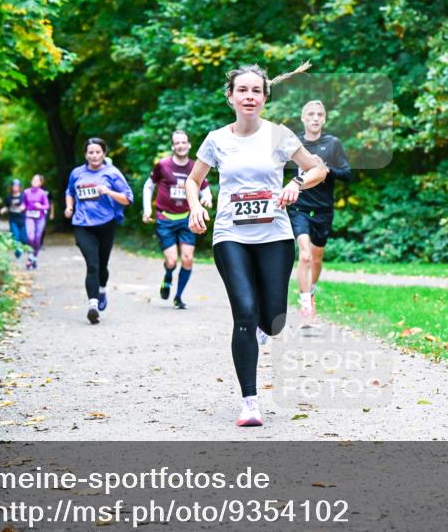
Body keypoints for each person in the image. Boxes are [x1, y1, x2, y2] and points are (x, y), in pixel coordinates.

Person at [186, 63, 327, 427]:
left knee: (273, 320)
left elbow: (317, 169)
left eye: (256, 91)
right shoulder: (216, 139)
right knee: (245, 313)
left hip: (275, 237)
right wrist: (194, 205)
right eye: (242, 90)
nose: (249, 97)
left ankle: (267, 328)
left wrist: (297, 184)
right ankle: (250, 402)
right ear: (230, 96)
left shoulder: (279, 136)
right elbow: (193, 180)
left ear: (265, 97)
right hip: (230, 235)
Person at [288, 100, 351, 323]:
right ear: (303, 118)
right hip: (299, 207)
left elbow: (346, 173)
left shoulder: (332, 144)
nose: (315, 118)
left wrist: (325, 169)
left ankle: (310, 289)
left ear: (324, 119)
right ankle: (306, 303)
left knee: (316, 258)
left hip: (323, 209)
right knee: (304, 254)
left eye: (320, 114)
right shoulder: (294, 143)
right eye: (311, 114)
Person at [64, 138, 133, 324]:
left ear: (104, 153)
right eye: (90, 152)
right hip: (82, 224)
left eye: (97, 152)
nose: (94, 155)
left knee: (102, 267)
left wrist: (108, 192)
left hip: (106, 224)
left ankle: (102, 290)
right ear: (85, 154)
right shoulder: (77, 173)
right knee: (92, 265)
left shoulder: (112, 173)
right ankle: (92, 306)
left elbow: (127, 198)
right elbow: (69, 191)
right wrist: (69, 207)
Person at [142, 130, 213, 309]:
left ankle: (178, 297)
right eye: (177, 143)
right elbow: (148, 186)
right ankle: (167, 277)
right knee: (172, 261)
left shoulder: (194, 166)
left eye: (184, 142)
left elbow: (204, 187)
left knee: (188, 258)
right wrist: (147, 208)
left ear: (189, 145)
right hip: (165, 218)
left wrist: (208, 198)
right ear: (173, 146)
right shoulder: (163, 165)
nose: (180, 145)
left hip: (186, 219)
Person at [22, 174, 50, 269]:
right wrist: (23, 207)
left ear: (41, 183)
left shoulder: (42, 193)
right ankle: (30, 256)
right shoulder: (26, 192)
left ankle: (34, 258)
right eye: (33, 179)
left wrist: (40, 207)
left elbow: (47, 206)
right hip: (29, 216)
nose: (34, 181)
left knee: (37, 239)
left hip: (40, 217)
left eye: (37, 180)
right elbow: (24, 204)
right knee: (30, 237)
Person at [0, 179, 27, 259]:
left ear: (19, 187)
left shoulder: (23, 196)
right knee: (16, 236)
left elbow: (27, 205)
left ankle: (21, 248)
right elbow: (7, 206)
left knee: (24, 239)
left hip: (22, 220)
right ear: (11, 187)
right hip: (13, 220)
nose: (15, 188)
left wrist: (24, 207)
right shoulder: (8, 197)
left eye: (17, 186)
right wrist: (4, 209)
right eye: (14, 186)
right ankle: (18, 253)